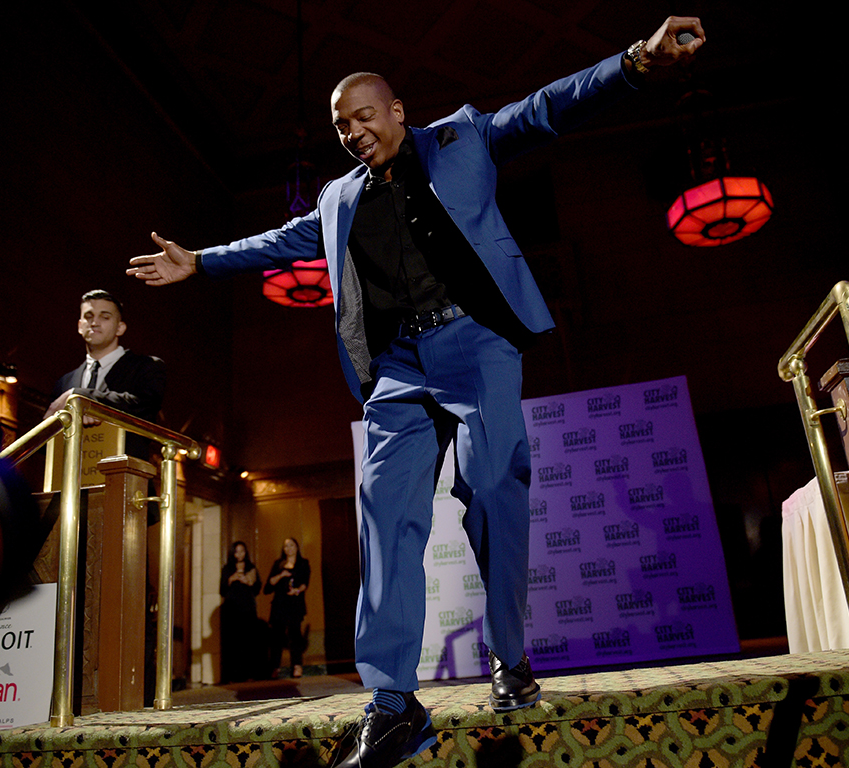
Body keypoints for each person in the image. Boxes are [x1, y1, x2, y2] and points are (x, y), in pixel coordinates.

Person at [128, 16, 704, 768]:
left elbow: (548, 105)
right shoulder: (337, 199)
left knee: (494, 487)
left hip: (476, 344)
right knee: (385, 517)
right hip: (397, 369)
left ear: (397, 111)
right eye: (340, 125)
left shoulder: (462, 139)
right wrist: (200, 262)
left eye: (364, 115)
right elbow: (276, 241)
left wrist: (636, 60)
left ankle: (509, 657)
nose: (353, 131)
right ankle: (394, 704)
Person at [46, 289, 166, 457]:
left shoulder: (147, 367)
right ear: (80, 326)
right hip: (74, 477)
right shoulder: (64, 382)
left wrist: (81, 397)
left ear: (120, 328)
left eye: (105, 317)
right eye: (88, 316)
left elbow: (144, 407)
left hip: (126, 475)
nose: (94, 322)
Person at [264, 537, 311, 678]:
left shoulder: (303, 563)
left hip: (295, 604)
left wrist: (296, 591)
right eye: (286, 546)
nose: (288, 548)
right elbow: (268, 585)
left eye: (291, 545)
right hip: (279, 604)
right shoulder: (278, 564)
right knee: (277, 637)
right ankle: (275, 668)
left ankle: (297, 666)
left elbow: (305, 583)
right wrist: (281, 575)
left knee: (295, 635)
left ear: (297, 547)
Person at [220, 540, 262, 683]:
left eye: (242, 551)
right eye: (236, 551)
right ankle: (234, 675)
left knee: (249, 641)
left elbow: (257, 588)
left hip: (248, 608)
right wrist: (231, 579)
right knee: (233, 642)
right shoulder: (227, 568)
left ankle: (250, 673)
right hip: (232, 610)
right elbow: (222, 590)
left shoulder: (251, 567)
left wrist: (247, 580)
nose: (239, 554)